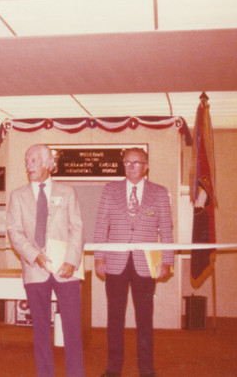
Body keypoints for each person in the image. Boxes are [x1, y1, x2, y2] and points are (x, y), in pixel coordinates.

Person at [94, 147, 174, 377]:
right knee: (115, 317)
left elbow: (166, 230)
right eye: (127, 162)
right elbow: (101, 227)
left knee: (145, 318)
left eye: (136, 162)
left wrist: (166, 260)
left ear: (146, 165)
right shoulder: (110, 190)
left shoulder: (159, 193)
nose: (131, 166)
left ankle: (147, 370)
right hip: (115, 262)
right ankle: (113, 368)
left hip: (146, 264)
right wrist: (99, 256)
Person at [7, 144, 85, 377]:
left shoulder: (68, 192)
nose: (28, 165)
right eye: (26, 161)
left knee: (72, 328)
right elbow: (14, 231)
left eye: (34, 160)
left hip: (66, 270)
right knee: (40, 329)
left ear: (49, 163)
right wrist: (34, 255)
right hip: (34, 269)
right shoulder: (17, 196)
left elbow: (77, 229)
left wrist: (71, 260)